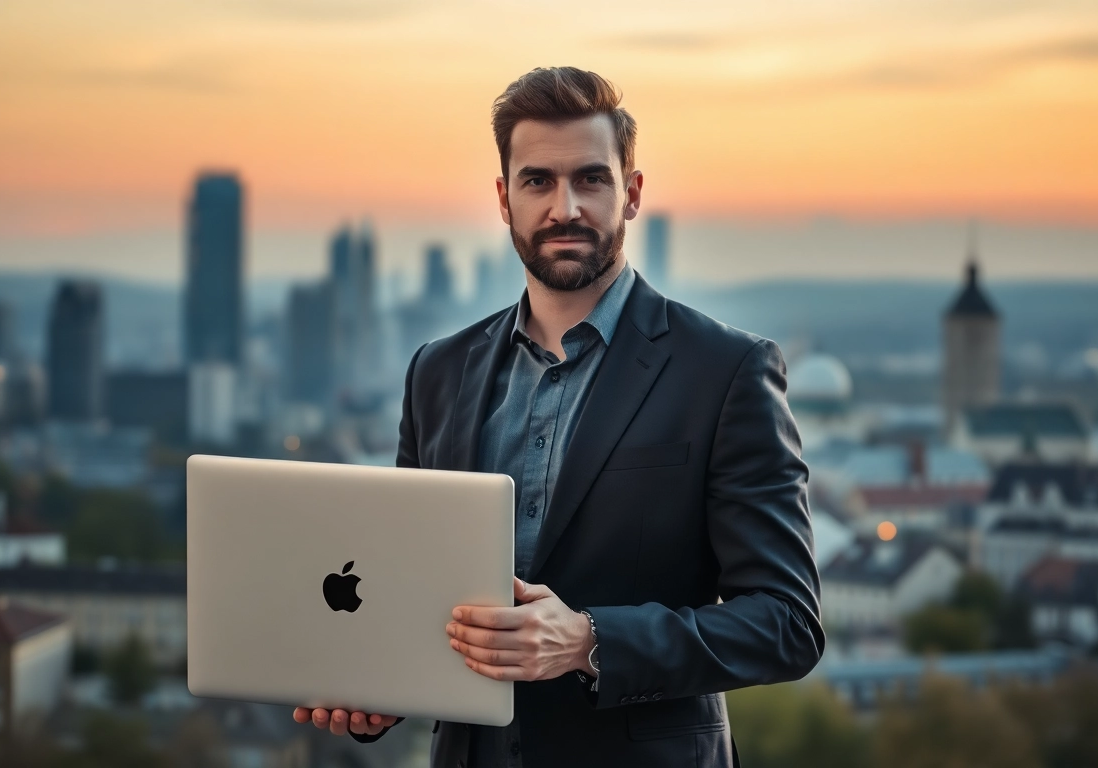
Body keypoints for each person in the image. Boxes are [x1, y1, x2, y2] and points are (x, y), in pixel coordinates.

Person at [293, 66, 824, 768]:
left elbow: (787, 624)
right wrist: (376, 694)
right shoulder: (437, 372)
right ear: (503, 198)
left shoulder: (726, 372)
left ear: (631, 194)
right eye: (537, 180)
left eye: (591, 180)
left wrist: (588, 639)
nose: (564, 207)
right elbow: (410, 592)